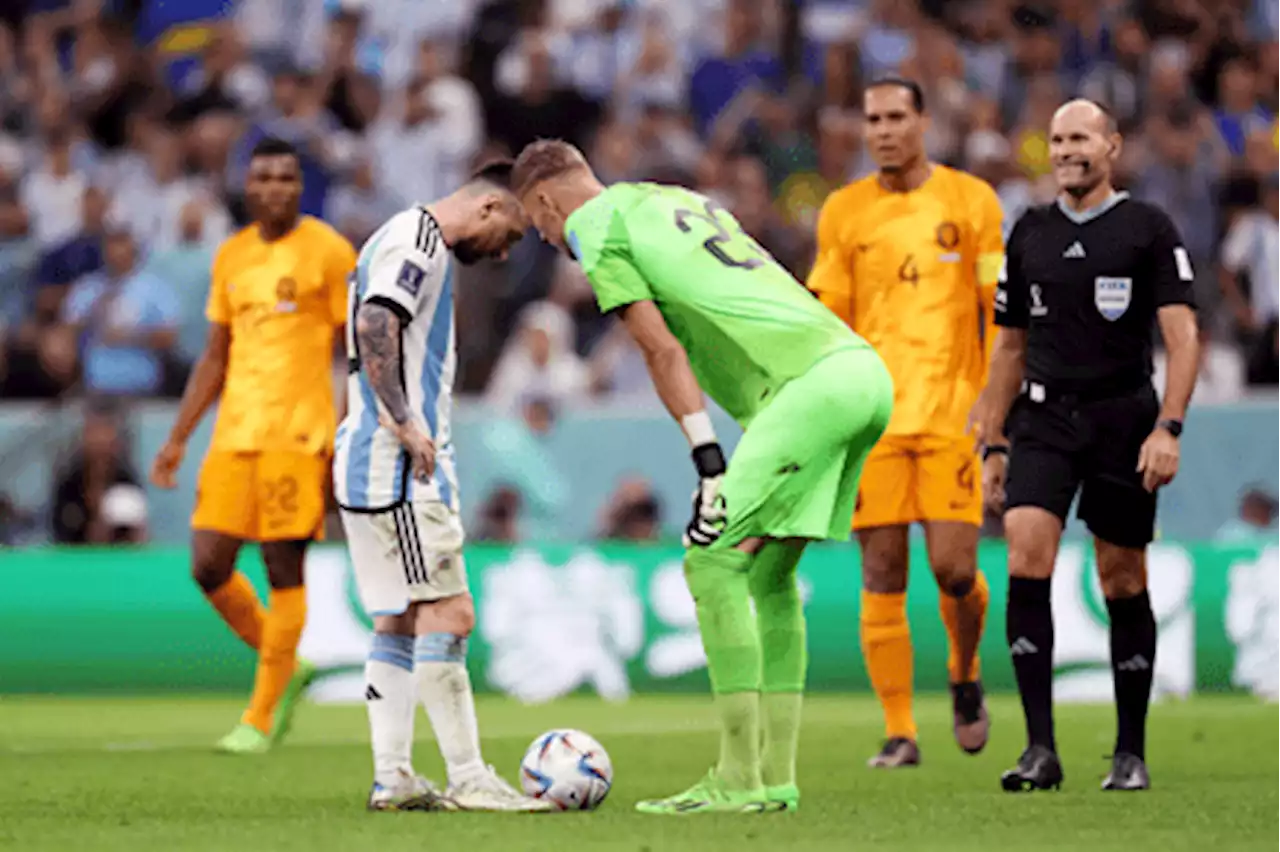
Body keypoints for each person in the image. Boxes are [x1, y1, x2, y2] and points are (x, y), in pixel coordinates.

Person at [511, 139, 894, 815]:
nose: (547, 237)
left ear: (544, 200)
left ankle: (736, 778)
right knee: (772, 577)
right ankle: (774, 779)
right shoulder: (672, 198)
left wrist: (708, 460)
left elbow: (659, 349)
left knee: (710, 560)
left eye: (537, 223)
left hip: (809, 389)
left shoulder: (594, 227)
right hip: (857, 370)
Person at [971, 100, 1200, 792]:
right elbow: (1009, 346)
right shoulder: (1030, 232)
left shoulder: (1146, 228)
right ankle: (1041, 749)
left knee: (1122, 577)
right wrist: (992, 440)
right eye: (1058, 138)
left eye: (1081, 138)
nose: (1068, 149)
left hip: (1123, 419)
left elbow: (1183, 337)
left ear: (1112, 146)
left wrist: (1168, 426)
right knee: (1025, 554)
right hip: (1043, 419)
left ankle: (1130, 752)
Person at [333, 160, 549, 812]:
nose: (507, 249)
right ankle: (469, 776)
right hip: (399, 466)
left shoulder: (395, 238)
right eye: (512, 232)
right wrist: (405, 421)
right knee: (450, 613)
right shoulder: (418, 241)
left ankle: (394, 775)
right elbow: (377, 322)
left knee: (396, 621)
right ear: (489, 206)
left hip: (368, 460)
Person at [807, 77, 1004, 768]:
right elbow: (828, 317)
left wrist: (995, 403)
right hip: (877, 419)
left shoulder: (970, 200)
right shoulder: (843, 211)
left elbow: (999, 312)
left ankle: (964, 670)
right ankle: (900, 732)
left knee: (954, 571)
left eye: (896, 117)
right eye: (872, 119)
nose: (883, 130)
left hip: (954, 412)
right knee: (882, 569)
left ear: (924, 120)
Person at [149, 137, 357, 755]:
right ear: (247, 186)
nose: (275, 188)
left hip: (299, 433)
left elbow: (357, 347)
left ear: (300, 186)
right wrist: (179, 437)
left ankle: (260, 719)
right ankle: (286, 662)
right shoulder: (232, 256)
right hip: (234, 432)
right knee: (208, 565)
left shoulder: (328, 251)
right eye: (263, 177)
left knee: (282, 566)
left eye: (286, 178)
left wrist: (349, 426)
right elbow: (216, 354)